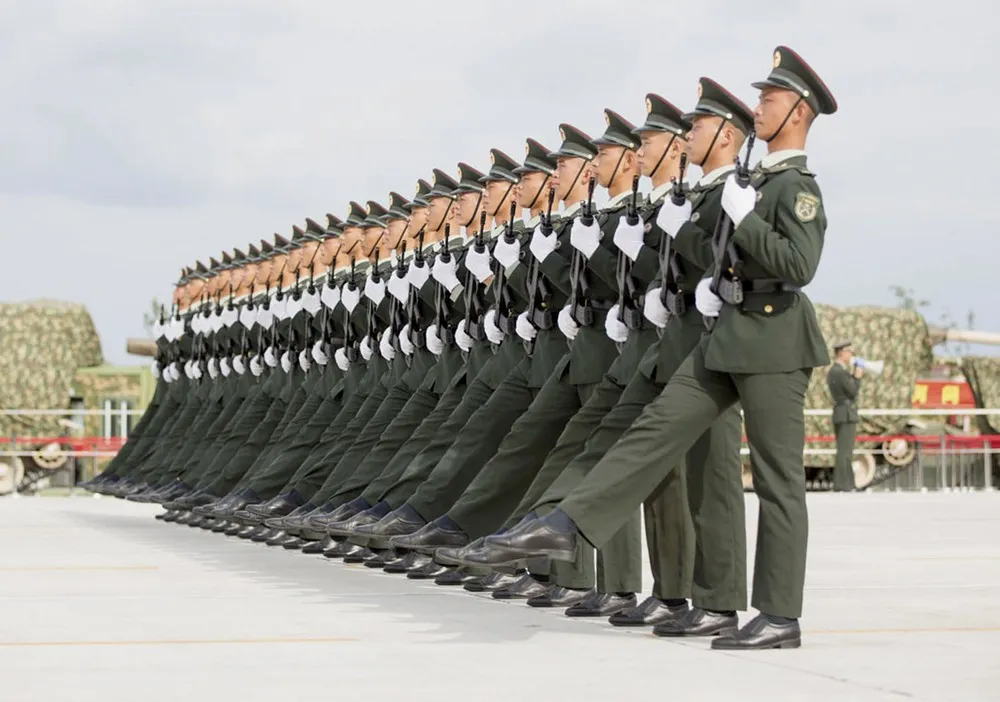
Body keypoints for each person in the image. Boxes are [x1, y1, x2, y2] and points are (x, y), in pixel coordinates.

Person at [475, 44, 838, 651]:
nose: (759, 107)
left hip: (775, 339)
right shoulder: (747, 184)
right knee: (650, 431)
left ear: (797, 112)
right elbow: (699, 258)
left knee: (778, 483)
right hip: (723, 337)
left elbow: (799, 265)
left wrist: (744, 220)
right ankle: (566, 525)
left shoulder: (795, 188)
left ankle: (779, 615)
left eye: (768, 99)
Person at [827, 340, 863, 491]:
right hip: (846, 413)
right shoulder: (838, 372)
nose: (851, 355)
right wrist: (857, 377)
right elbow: (852, 391)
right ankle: (843, 484)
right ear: (842, 353)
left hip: (842, 412)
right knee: (845, 451)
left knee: (845, 450)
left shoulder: (834, 371)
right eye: (849, 352)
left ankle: (847, 483)